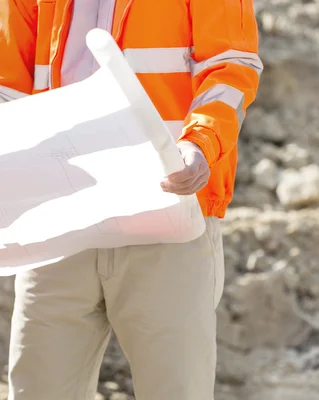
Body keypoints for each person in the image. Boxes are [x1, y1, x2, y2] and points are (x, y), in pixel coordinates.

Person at [0, 0, 262, 399]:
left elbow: (230, 66)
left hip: (167, 216)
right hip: (59, 224)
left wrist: (201, 143)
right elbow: (7, 88)